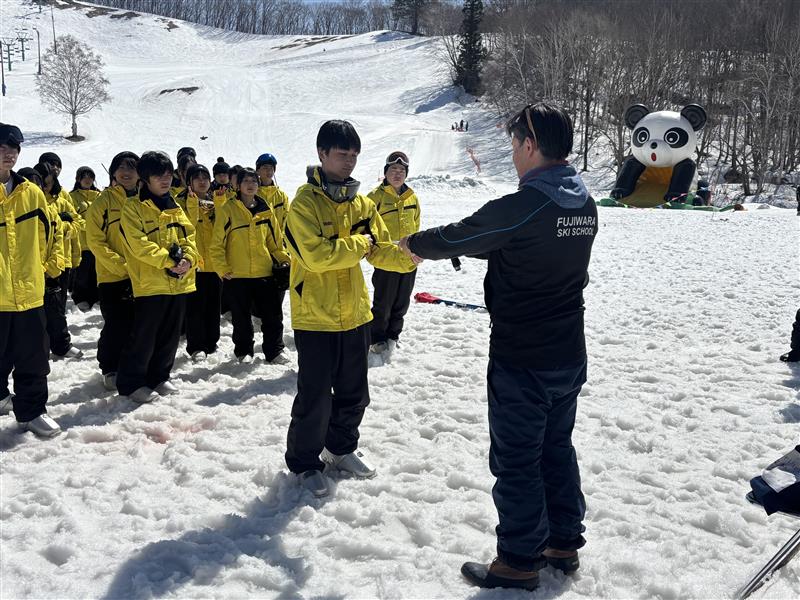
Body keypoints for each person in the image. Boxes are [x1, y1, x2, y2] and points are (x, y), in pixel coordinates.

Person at [401, 103, 598, 591]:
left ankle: (518, 559)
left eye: (513, 145)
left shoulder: (528, 202)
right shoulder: (582, 202)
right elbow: (523, 244)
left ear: (530, 145)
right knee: (556, 447)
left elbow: (469, 233)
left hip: (523, 356)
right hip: (568, 351)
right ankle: (562, 542)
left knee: (518, 458)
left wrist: (415, 244)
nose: (512, 155)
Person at [283, 120, 416, 498]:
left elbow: (381, 248)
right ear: (322, 153)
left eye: (354, 155)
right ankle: (305, 462)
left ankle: (340, 449)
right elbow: (317, 256)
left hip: (355, 313)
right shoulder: (303, 204)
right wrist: (360, 243)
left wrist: (410, 255)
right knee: (315, 396)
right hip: (316, 316)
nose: (349, 162)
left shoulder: (362, 204)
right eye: (342, 154)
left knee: (354, 393)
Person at [116, 151, 199, 404]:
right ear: (145, 178)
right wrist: (170, 261)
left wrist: (188, 260)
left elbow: (190, 237)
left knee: (170, 335)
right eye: (158, 176)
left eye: (168, 175)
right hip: (150, 283)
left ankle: (159, 376)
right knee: (144, 335)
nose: (165, 180)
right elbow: (138, 244)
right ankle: (131, 383)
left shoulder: (175, 206)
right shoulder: (133, 207)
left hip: (178, 282)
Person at [0, 124, 62, 437]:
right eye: (2, 148)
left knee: (34, 359)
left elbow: (48, 236)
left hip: (29, 292)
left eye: (13, 148)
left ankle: (32, 411)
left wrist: (44, 268)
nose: (8, 154)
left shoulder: (32, 193)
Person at [210, 167, 289, 363]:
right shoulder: (228, 209)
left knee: (273, 316)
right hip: (237, 274)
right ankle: (244, 351)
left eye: (254, 181)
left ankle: (275, 350)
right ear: (238, 185)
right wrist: (222, 268)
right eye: (246, 181)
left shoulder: (265, 210)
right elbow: (217, 244)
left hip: (264, 271)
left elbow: (274, 242)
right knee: (241, 317)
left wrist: (284, 260)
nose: (251, 185)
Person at [85, 152, 140, 391]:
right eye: (121, 168)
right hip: (113, 276)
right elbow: (95, 241)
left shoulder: (144, 200)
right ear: (113, 172)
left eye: (132, 168)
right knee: (116, 324)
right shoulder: (103, 202)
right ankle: (110, 367)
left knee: (139, 325)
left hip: (143, 276)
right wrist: (122, 265)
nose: (126, 173)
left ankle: (134, 366)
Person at [367, 151, 420, 356]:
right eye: (393, 170)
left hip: (408, 260)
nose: (397, 174)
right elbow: (366, 227)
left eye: (401, 170)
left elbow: (416, 224)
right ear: (386, 172)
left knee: (402, 302)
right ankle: (377, 338)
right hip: (386, 260)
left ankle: (393, 335)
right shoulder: (375, 198)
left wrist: (417, 249)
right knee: (383, 303)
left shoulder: (412, 197)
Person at [33, 161, 84, 359]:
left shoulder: (62, 199)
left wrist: (63, 227)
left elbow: (79, 223)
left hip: (61, 260)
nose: (45, 187)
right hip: (35, 263)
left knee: (57, 307)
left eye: (49, 182)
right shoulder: (29, 199)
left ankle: (60, 344)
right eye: (42, 183)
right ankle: (40, 344)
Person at [181, 163, 222, 362]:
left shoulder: (216, 201)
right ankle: (196, 346)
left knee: (213, 305)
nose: (202, 181)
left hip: (215, 263)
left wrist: (220, 204)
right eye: (197, 178)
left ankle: (212, 342)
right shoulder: (180, 203)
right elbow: (186, 227)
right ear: (189, 182)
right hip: (193, 263)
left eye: (205, 177)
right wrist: (192, 204)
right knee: (194, 307)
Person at [256, 152, 290, 335]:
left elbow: (288, 220)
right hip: (258, 249)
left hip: (278, 250)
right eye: (264, 167)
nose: (268, 171)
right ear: (258, 170)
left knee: (278, 290)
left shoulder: (281, 196)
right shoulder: (252, 193)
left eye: (271, 168)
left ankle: (274, 329)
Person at [70, 166, 101, 311]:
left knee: (96, 271)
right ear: (78, 179)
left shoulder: (100, 195)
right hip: (82, 241)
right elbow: (73, 216)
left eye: (90, 177)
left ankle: (95, 297)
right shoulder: (73, 196)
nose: (87, 180)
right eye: (84, 177)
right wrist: (89, 226)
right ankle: (80, 297)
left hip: (98, 240)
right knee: (82, 272)